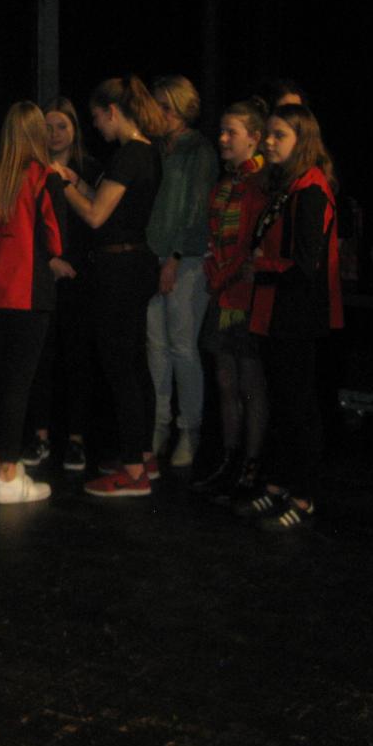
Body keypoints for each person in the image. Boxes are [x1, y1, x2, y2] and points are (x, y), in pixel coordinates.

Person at [52, 76, 170, 496]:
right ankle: (143, 457)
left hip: (119, 270)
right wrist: (78, 181)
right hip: (133, 265)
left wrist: (62, 184)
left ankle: (134, 472)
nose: (97, 126)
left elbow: (96, 216)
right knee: (134, 364)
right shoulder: (144, 152)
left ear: (113, 112)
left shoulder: (129, 154)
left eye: (98, 117)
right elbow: (112, 204)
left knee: (121, 368)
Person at [238, 103, 343, 531]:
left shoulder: (311, 189)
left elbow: (305, 264)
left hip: (296, 313)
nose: (268, 141)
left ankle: (303, 495)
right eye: (268, 133)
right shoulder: (287, 185)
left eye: (279, 135)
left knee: (298, 406)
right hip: (277, 309)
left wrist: (261, 267)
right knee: (283, 402)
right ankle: (280, 484)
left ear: (302, 140)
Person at [0, 100, 63, 504]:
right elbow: (55, 240)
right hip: (26, 294)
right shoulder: (43, 178)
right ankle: (8, 473)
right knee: (17, 386)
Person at [191, 97, 271, 502]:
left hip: (246, 295)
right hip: (224, 292)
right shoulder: (228, 183)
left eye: (231, 132)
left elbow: (253, 245)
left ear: (254, 138)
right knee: (226, 382)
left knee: (249, 384)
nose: (222, 138)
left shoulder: (261, 184)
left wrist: (227, 272)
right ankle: (230, 458)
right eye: (221, 131)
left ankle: (251, 465)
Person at [144, 74, 219, 468]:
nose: (158, 113)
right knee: (155, 345)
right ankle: (158, 424)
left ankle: (189, 429)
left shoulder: (199, 150)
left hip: (186, 258)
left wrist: (174, 257)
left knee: (183, 345)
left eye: (164, 106)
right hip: (155, 254)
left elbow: (197, 209)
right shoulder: (157, 147)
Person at [24, 96, 101, 471]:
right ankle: (40, 436)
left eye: (61, 126)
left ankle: (76, 439)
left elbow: (100, 215)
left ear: (75, 129)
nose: (54, 134)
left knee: (77, 357)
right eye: (48, 127)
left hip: (81, 273)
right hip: (43, 270)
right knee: (41, 357)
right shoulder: (31, 168)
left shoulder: (89, 168)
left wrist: (75, 182)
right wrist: (49, 260)